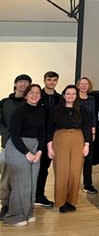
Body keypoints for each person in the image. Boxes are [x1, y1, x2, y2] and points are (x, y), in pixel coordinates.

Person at [2, 84, 45, 226]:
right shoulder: (19, 111)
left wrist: (39, 151)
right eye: (31, 93)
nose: (34, 95)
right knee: (21, 184)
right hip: (17, 147)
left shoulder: (41, 111)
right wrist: (27, 153)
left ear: (40, 95)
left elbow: (42, 134)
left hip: (35, 147)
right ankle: (14, 217)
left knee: (32, 183)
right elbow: (14, 135)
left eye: (37, 93)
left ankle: (28, 212)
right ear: (26, 95)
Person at [47, 85, 90, 213]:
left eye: (73, 94)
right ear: (64, 95)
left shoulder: (82, 110)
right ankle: (61, 202)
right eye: (68, 93)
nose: (71, 96)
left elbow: (86, 128)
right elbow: (49, 128)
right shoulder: (56, 110)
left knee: (75, 172)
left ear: (76, 96)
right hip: (60, 139)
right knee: (61, 172)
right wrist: (49, 147)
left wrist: (87, 144)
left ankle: (71, 201)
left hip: (78, 139)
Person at [0, 74, 32, 220]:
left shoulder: (31, 103)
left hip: (27, 147)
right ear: (15, 84)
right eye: (21, 81)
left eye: (27, 82)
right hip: (9, 144)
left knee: (23, 179)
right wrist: (7, 135)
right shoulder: (4, 103)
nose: (24, 84)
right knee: (6, 178)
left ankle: (21, 207)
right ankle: (5, 205)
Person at [36, 71, 61, 207]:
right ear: (44, 80)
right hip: (35, 136)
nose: (52, 82)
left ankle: (39, 195)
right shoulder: (37, 95)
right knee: (31, 168)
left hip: (52, 139)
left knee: (44, 168)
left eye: (54, 80)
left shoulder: (60, 98)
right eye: (49, 79)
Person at [77, 77, 98, 194]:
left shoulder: (91, 99)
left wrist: (93, 132)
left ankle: (88, 184)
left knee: (88, 160)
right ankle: (73, 183)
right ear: (78, 85)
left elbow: (92, 116)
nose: (84, 86)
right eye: (82, 84)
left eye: (86, 84)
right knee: (76, 159)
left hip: (88, 132)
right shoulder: (74, 98)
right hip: (76, 132)